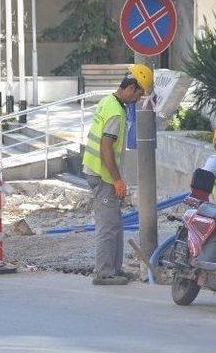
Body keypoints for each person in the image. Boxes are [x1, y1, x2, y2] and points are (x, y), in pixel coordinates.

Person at [82, 63, 153, 285]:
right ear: (131, 87)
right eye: (139, 93)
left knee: (115, 223)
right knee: (107, 225)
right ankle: (104, 273)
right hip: (102, 175)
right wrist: (117, 180)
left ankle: (115, 269)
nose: (138, 98)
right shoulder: (115, 112)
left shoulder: (109, 101)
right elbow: (106, 149)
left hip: (99, 173)